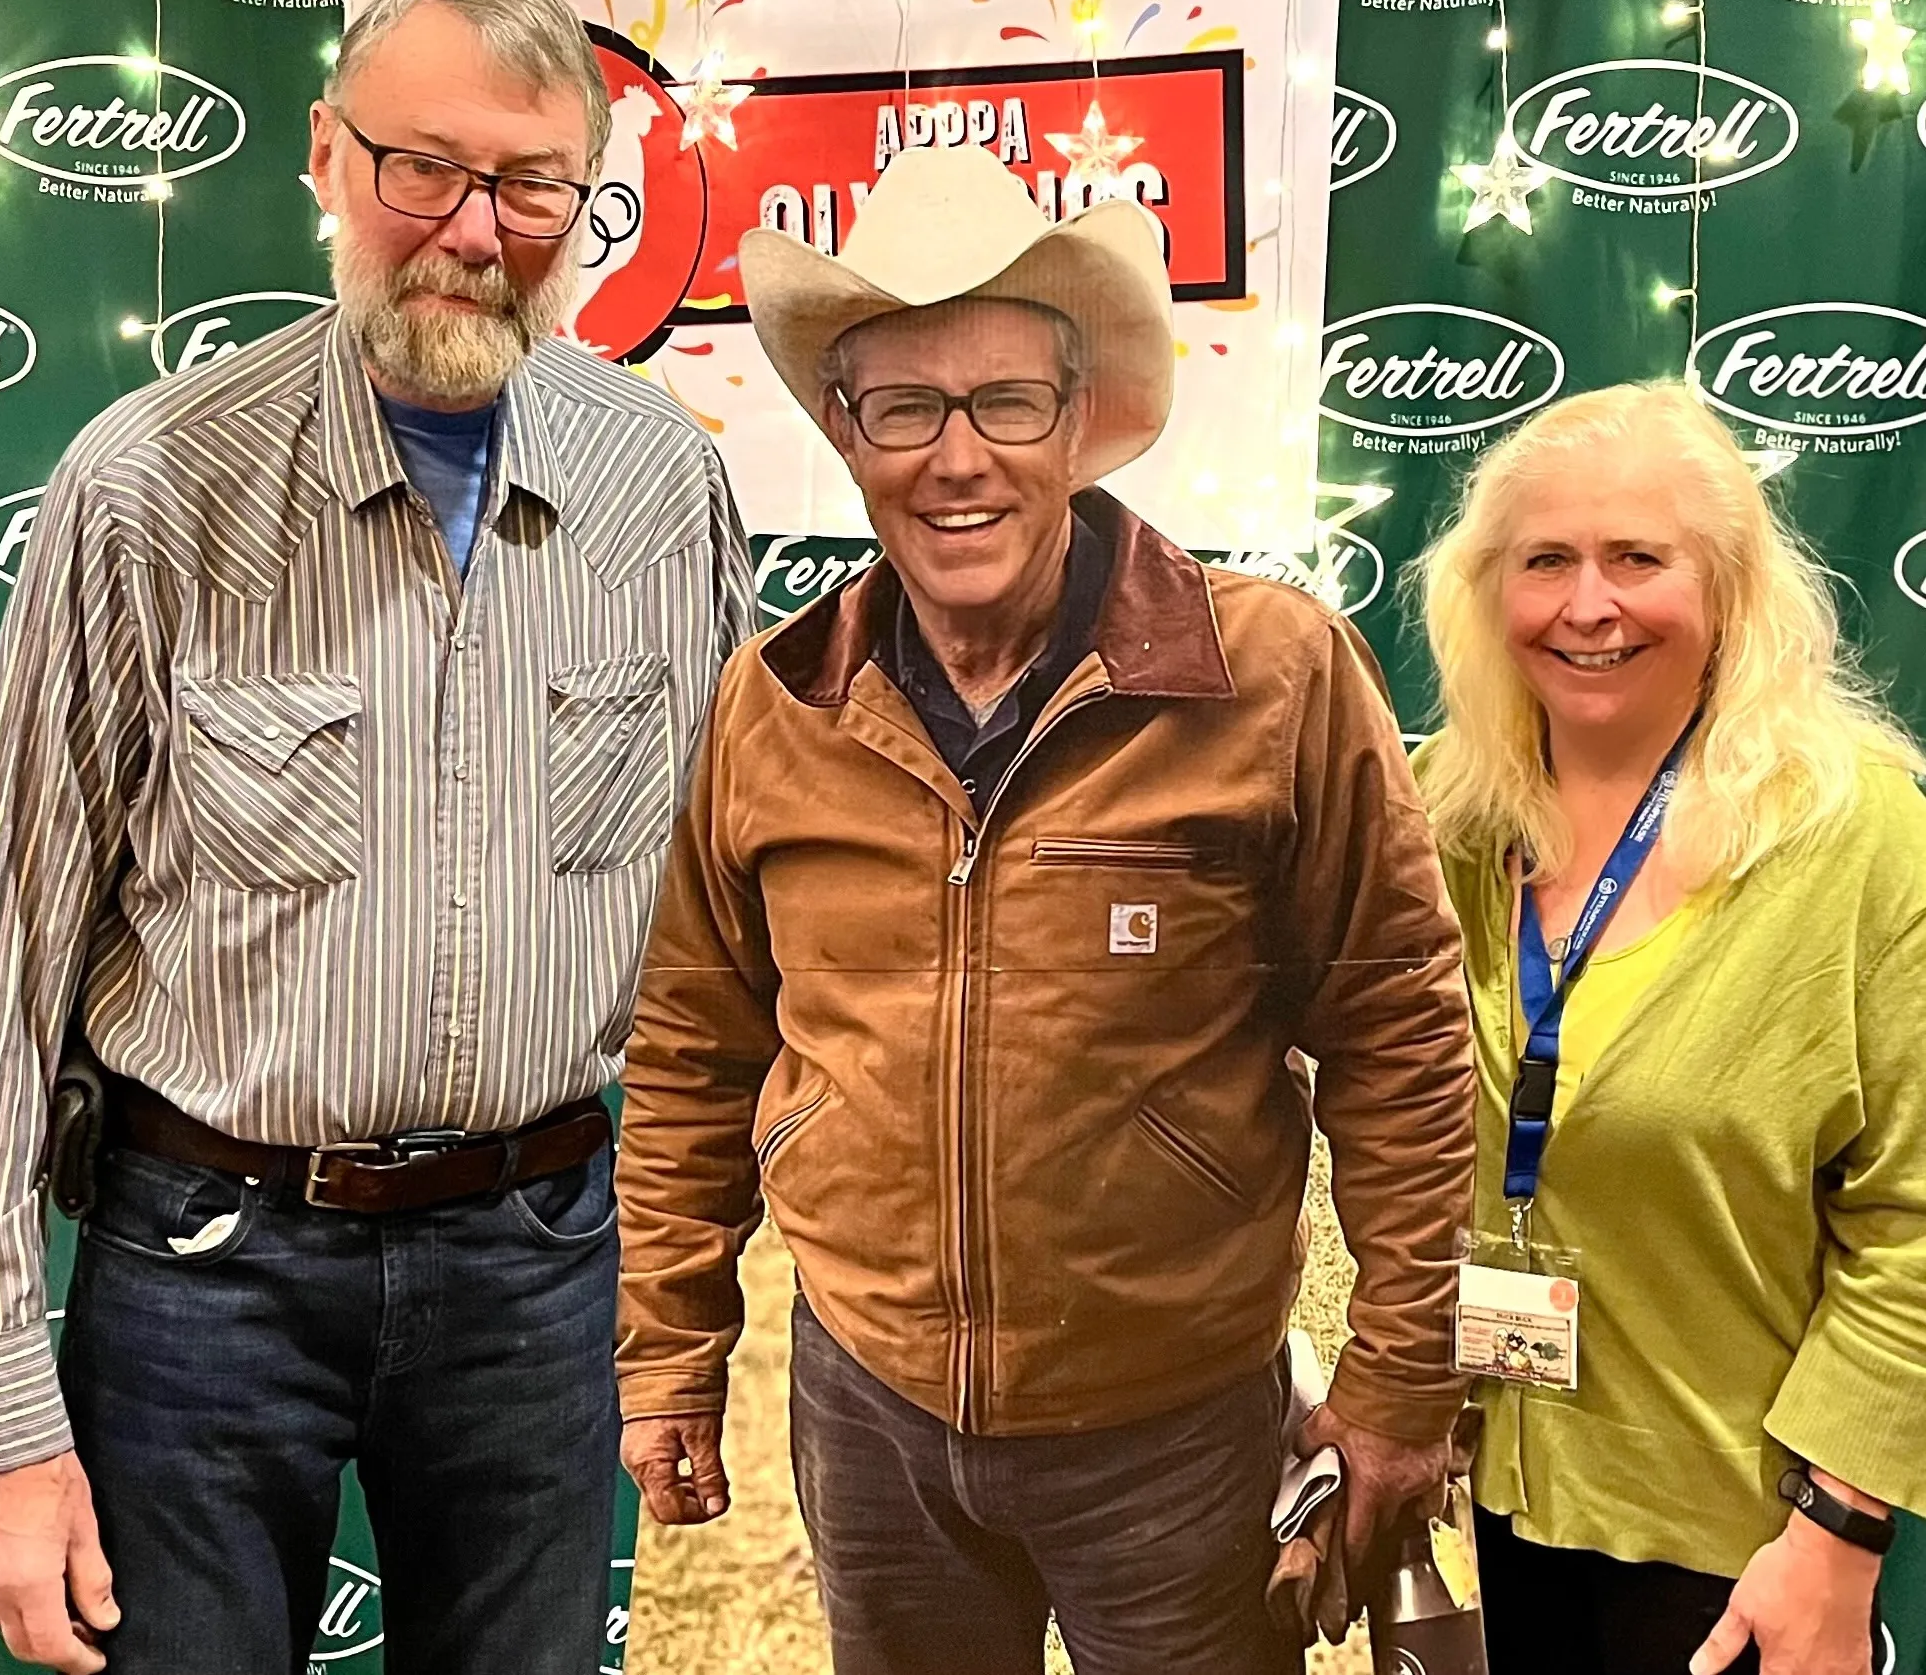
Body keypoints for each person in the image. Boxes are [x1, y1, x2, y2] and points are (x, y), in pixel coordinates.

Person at [0, 0, 754, 1675]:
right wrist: (0, 1432)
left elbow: (741, 928)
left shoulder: (663, 487)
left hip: (543, 1263)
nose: (473, 229)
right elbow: (2, 964)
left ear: (586, 203)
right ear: (325, 154)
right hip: (203, 1267)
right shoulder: (149, 484)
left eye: (531, 185)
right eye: (422, 166)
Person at [611, 143, 1478, 1675]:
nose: (958, 457)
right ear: (846, 430)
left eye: (1005, 402)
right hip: (868, 1412)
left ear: (1076, 419)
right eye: (905, 407)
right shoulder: (774, 702)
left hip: (1177, 1429)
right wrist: (669, 1346)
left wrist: (1405, 1375)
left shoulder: (1270, 674)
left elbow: (1399, 1035)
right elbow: (694, 1042)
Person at [1413, 383, 1926, 1675]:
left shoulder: (1861, 837)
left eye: (1638, 558)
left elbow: (1914, 1218)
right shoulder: (1443, 817)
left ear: (1731, 591)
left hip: (1745, 1544)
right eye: (1546, 560)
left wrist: (1838, 1532)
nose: (1588, 605)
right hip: (1490, 1504)